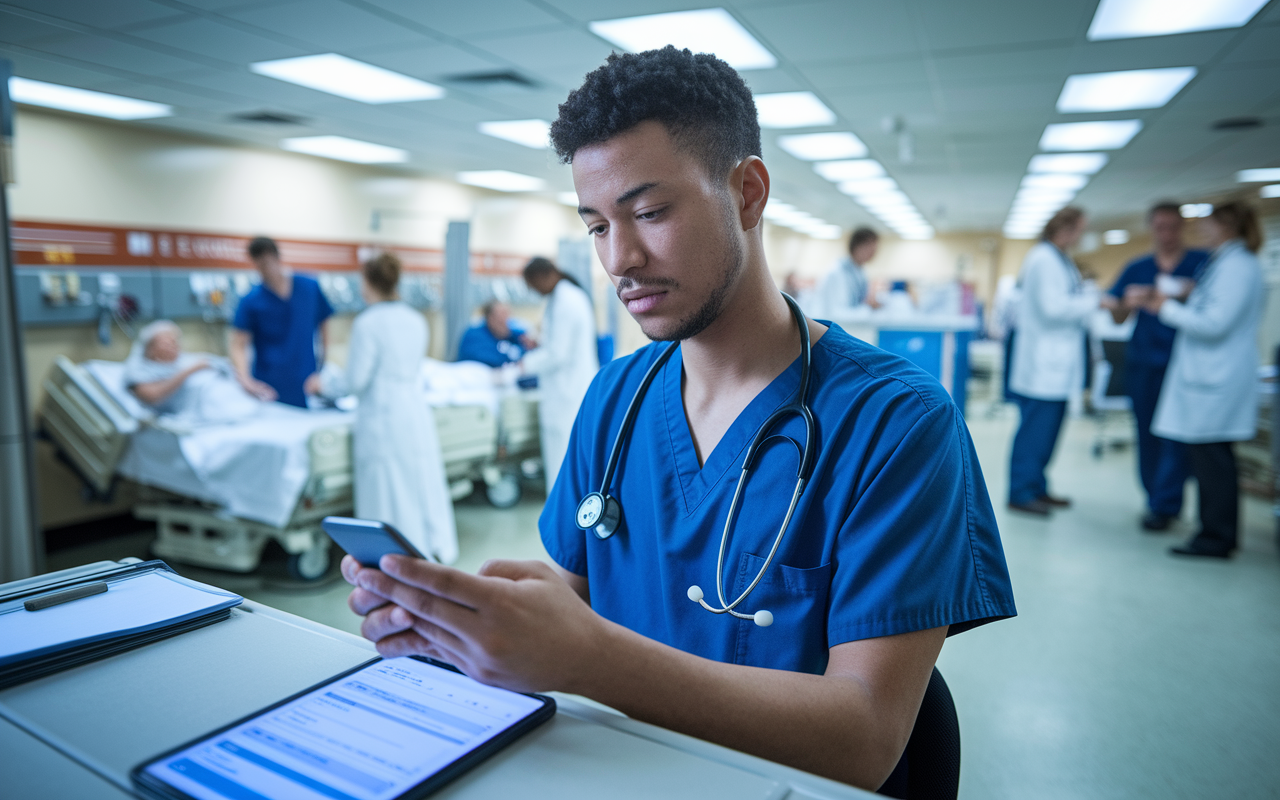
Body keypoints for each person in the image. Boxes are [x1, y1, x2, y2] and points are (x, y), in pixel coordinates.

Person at [340, 46, 1015, 792]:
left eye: (650, 212)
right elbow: (581, 590)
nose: (620, 259)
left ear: (749, 193)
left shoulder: (897, 423)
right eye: (596, 226)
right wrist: (470, 619)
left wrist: (589, 658)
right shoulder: (617, 398)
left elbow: (865, 737)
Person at [305, 253, 459, 564]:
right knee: (421, 481)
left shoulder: (368, 322)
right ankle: (432, 547)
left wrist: (325, 384)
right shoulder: (415, 319)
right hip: (414, 410)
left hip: (382, 416)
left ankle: (391, 557)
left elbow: (356, 381)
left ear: (369, 282)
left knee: (388, 489)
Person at [1141, 202, 1265, 558]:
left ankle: (1216, 537)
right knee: (1211, 460)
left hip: (1218, 378)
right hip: (1212, 376)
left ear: (1227, 226)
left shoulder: (1237, 267)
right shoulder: (1226, 263)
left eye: (1208, 225)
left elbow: (1214, 324)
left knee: (1214, 462)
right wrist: (1185, 296)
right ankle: (1214, 532)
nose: (1202, 231)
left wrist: (1164, 307)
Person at [1104, 203, 1209, 531]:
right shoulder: (1138, 268)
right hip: (1144, 362)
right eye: (1160, 227)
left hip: (1183, 364)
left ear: (1183, 228)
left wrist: (1182, 296)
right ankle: (1156, 502)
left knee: (1177, 437)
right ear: (1152, 228)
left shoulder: (1201, 265)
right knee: (1148, 433)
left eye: (1173, 227)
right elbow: (1117, 314)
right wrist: (1126, 303)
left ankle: (1167, 502)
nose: (1167, 234)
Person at [1007, 207, 1100, 516]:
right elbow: (1052, 309)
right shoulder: (1044, 259)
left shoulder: (1059, 258)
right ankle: (1021, 492)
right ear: (1065, 229)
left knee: (1047, 433)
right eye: (1078, 230)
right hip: (1042, 365)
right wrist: (1093, 301)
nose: (1080, 237)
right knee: (1035, 431)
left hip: (1055, 364)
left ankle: (1037, 487)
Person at [519, 257, 598, 487]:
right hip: (567, 391)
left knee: (564, 465)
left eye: (532, 285)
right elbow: (560, 345)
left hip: (567, 394)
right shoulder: (562, 297)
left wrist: (521, 367)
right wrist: (539, 343)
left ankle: (565, 520)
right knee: (566, 465)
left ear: (544, 276)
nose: (533, 291)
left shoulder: (565, 300)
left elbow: (557, 354)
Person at [230, 236, 333, 408]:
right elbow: (238, 345)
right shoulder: (251, 300)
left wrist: (322, 370)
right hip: (269, 385)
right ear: (254, 264)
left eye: (269, 261)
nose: (266, 269)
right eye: (261, 264)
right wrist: (246, 380)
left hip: (307, 381)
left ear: (278, 257)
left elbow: (325, 329)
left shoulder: (309, 287)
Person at [124, 320, 210, 413]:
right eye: (167, 343)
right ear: (150, 349)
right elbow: (153, 396)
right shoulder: (137, 371)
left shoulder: (186, 361)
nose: (174, 347)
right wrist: (190, 370)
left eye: (174, 342)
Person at [815, 226, 880, 317]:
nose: (874, 253)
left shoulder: (860, 272)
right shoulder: (836, 273)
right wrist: (868, 309)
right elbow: (836, 313)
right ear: (858, 246)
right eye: (872, 248)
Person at [456, 300, 533, 367]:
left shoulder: (515, 334)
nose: (504, 320)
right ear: (489, 318)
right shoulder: (474, 336)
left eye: (506, 315)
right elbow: (482, 360)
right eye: (500, 316)